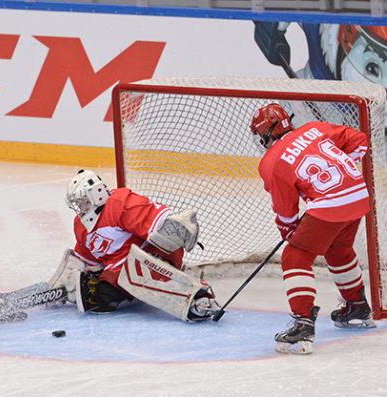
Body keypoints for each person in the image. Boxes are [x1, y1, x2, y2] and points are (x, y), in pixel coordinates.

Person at [250, 102, 375, 355]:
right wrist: (343, 167)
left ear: (265, 134)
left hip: (332, 204)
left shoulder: (271, 162)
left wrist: (289, 231)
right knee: (338, 248)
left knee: (295, 256)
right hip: (359, 195)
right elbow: (360, 140)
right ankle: (357, 305)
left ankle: (303, 324)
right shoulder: (315, 129)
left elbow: (286, 212)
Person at [48, 170, 219, 322]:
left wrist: (178, 228)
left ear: (97, 193)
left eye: (84, 201)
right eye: (78, 204)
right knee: (98, 298)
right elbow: (84, 259)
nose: (81, 208)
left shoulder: (119, 203)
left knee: (135, 270)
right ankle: (139, 289)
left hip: (151, 257)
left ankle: (198, 295)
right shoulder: (80, 225)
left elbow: (162, 229)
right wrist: (67, 283)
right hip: (119, 273)